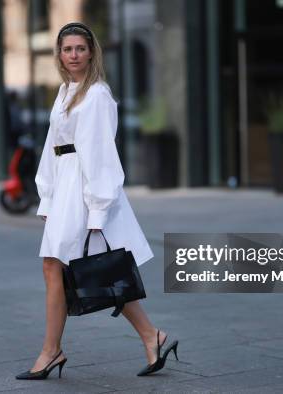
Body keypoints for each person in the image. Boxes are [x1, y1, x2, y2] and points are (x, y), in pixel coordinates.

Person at [16, 22, 178, 380]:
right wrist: (47, 198)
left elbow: (102, 155)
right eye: (67, 49)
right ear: (59, 54)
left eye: (80, 48)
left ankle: (51, 351)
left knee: (78, 267)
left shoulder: (98, 94)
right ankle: (152, 336)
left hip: (85, 191)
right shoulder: (64, 91)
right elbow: (53, 148)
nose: (73, 55)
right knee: (94, 271)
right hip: (65, 190)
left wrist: (98, 210)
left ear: (92, 53)